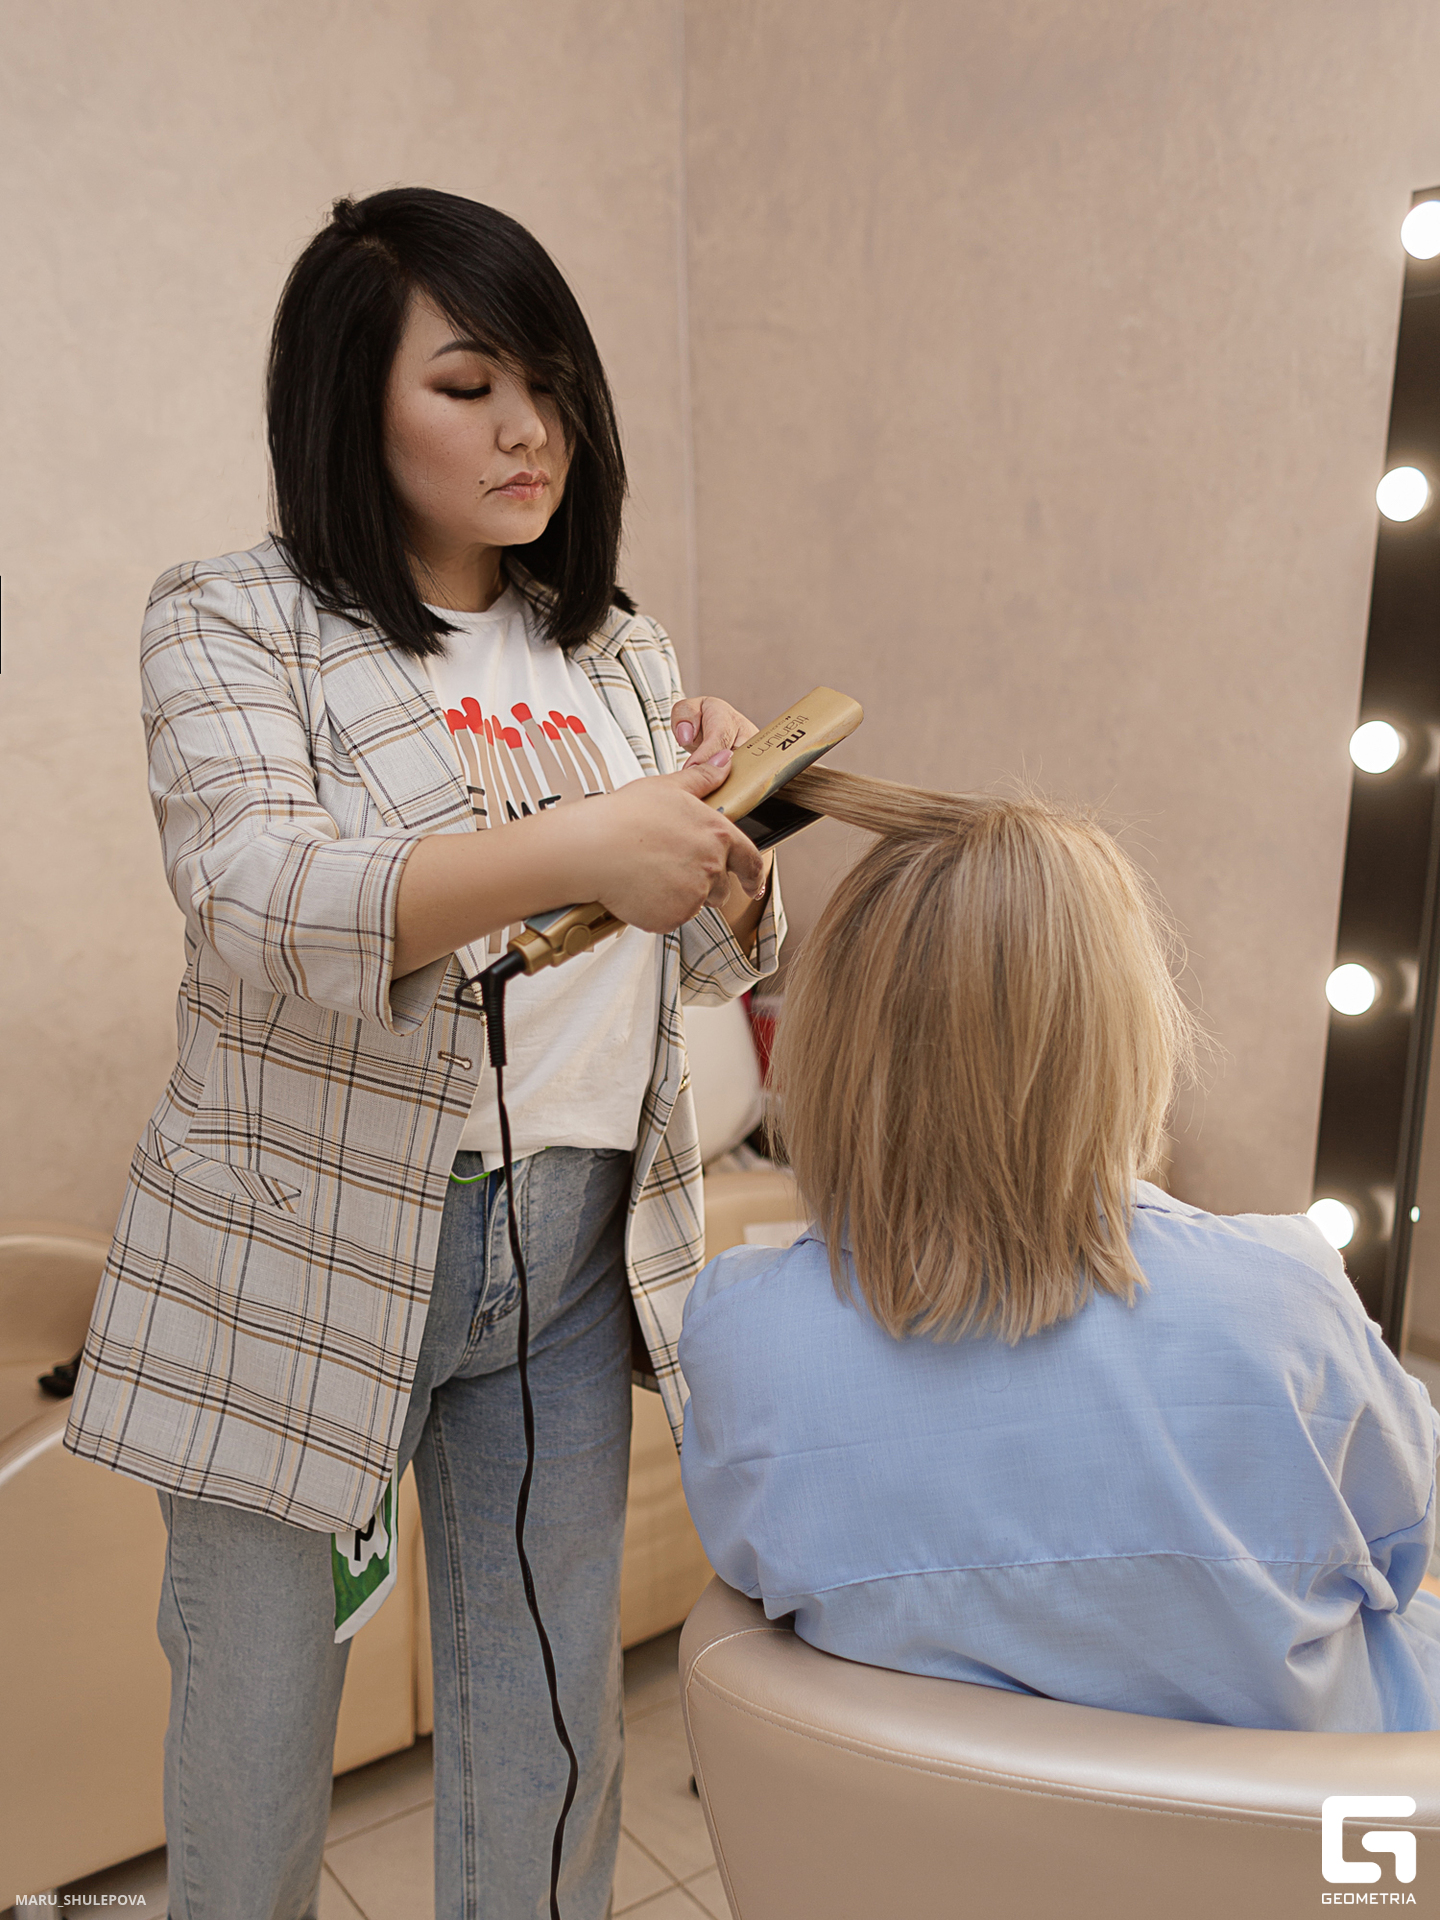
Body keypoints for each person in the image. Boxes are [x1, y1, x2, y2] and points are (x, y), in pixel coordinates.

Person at [64, 186, 784, 1920]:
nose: (527, 426)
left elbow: (694, 959)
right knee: (252, 1735)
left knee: (550, 1725)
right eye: (468, 385)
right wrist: (583, 839)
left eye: (547, 382)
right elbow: (260, 897)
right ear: (350, 401)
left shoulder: (617, 643)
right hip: (300, 1252)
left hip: (573, 1238)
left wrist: (732, 848)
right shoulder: (232, 619)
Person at [679, 771, 1440, 1733]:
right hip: (1308, 1818)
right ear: (1123, 1031)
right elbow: (1400, 1548)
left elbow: (759, 1574)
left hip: (929, 1823)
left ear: (835, 1039)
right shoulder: (1282, 1297)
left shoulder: (744, 1337)